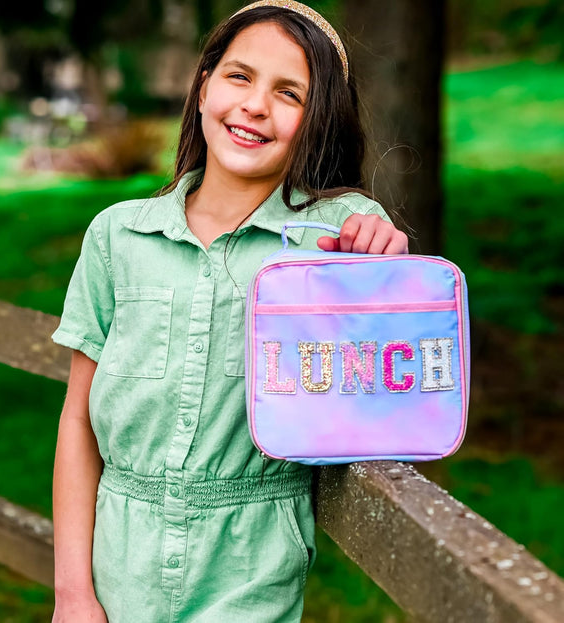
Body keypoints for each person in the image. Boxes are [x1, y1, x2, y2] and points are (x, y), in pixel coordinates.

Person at [51, 2, 408, 622]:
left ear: (317, 121)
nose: (255, 105)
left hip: (252, 562)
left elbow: (384, 380)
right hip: (116, 559)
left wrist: (385, 267)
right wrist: (73, 594)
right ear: (204, 84)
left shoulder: (333, 237)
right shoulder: (118, 236)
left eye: (289, 93)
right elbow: (78, 425)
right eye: (239, 76)